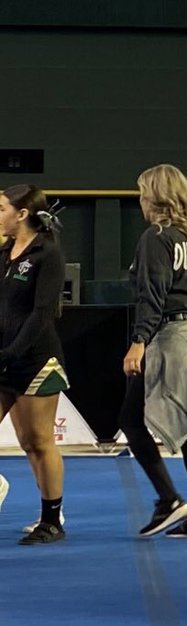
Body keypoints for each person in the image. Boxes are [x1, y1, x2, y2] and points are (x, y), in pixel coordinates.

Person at [119, 164, 187, 539]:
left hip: (172, 333)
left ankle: (169, 500)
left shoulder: (157, 237)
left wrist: (139, 341)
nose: (140, 200)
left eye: (142, 193)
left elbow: (153, 295)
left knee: (131, 419)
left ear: (155, 197)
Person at [0, 184, 68, 545]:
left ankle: (52, 519)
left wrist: (12, 352)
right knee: (28, 442)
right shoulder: (4, 253)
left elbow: (42, 313)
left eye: (1, 209)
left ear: (22, 214)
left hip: (36, 360)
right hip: (4, 358)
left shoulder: (47, 254)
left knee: (37, 441)